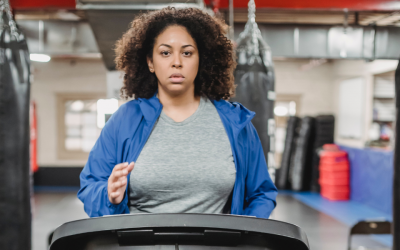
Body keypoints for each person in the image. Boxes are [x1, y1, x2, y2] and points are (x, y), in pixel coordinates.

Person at [78, 7, 277, 219]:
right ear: (150, 62)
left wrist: (244, 234)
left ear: (201, 60)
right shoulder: (126, 120)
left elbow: (261, 193)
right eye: (165, 53)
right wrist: (108, 194)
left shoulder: (236, 123)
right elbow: (90, 187)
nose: (176, 62)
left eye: (187, 52)